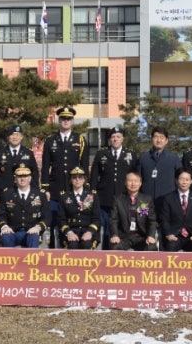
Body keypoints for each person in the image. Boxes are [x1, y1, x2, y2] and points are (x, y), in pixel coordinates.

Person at [41, 106, 89, 248]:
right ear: (59, 120)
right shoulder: (50, 141)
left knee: (71, 220)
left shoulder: (80, 140)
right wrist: (45, 188)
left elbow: (84, 166)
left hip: (73, 187)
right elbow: (45, 166)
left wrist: (84, 187)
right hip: (55, 189)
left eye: (68, 119)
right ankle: (52, 252)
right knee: (54, 221)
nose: (65, 121)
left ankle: (68, 250)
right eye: (63, 118)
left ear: (72, 121)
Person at [89, 125, 138, 249]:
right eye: (113, 137)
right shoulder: (102, 154)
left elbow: (135, 177)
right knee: (105, 229)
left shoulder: (130, 154)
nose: (115, 139)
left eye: (118, 137)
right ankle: (105, 254)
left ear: (122, 139)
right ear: (110, 139)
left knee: (121, 229)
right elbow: (94, 176)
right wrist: (92, 194)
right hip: (105, 199)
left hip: (123, 199)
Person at [0, 164, 51, 248]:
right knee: (5, 237)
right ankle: (11, 261)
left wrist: (38, 227)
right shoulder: (7, 194)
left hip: (31, 231)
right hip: (12, 232)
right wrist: (4, 226)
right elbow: (0, 215)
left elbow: (47, 216)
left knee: (34, 236)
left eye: (25, 176)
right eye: (19, 176)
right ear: (15, 178)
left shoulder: (40, 194)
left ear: (30, 178)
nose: (22, 179)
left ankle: (32, 261)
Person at [0, 125, 40, 208]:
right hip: (3, 196)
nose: (15, 137)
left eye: (17, 135)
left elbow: (34, 176)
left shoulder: (28, 153)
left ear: (21, 137)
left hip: (24, 196)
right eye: (12, 135)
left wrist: (35, 194)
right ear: (8, 137)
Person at [109, 171, 158, 251]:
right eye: (130, 180)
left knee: (151, 247)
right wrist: (115, 235)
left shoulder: (147, 199)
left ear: (140, 183)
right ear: (125, 182)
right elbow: (113, 220)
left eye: (136, 181)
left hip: (141, 236)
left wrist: (151, 236)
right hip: (124, 237)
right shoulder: (118, 199)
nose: (133, 183)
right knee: (115, 246)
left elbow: (152, 221)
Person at [159, 168, 192, 252]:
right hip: (175, 236)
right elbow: (164, 220)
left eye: (187, 179)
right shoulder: (168, 198)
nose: (184, 182)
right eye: (181, 179)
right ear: (176, 180)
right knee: (170, 247)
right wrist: (168, 234)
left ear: (191, 181)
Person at [138, 126, 182, 210]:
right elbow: (138, 179)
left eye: (161, 137)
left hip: (168, 202)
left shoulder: (174, 159)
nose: (158, 140)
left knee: (165, 222)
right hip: (145, 203)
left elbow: (179, 180)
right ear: (152, 139)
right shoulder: (143, 158)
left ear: (166, 140)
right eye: (156, 137)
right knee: (145, 222)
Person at [56, 166, 101, 250]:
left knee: (86, 245)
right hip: (71, 231)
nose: (77, 180)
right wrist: (68, 232)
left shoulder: (91, 196)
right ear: (71, 180)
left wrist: (90, 232)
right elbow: (61, 219)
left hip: (88, 231)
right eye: (74, 177)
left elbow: (97, 219)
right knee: (72, 246)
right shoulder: (64, 197)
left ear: (84, 179)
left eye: (80, 177)